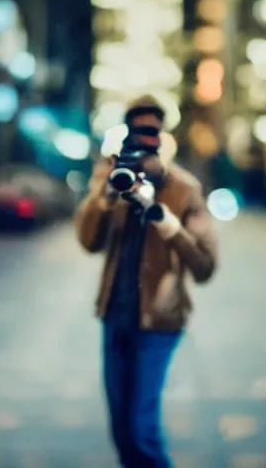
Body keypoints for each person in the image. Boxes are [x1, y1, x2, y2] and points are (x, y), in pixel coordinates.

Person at [74, 96, 218, 468]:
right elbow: (89, 242)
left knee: (141, 426)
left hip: (159, 321)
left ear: (162, 136)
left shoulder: (184, 188)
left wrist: (166, 219)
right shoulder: (113, 178)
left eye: (151, 133)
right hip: (115, 316)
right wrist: (104, 195)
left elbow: (205, 266)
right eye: (137, 133)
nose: (144, 141)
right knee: (121, 429)